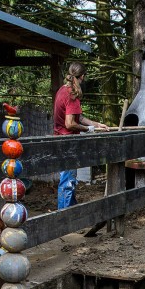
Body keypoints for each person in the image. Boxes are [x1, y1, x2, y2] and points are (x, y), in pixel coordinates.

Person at [53, 62, 109, 209]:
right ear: (82, 76)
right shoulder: (72, 95)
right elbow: (70, 123)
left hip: (60, 139)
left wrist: (96, 125)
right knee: (68, 182)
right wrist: (87, 130)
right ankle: (63, 218)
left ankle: (71, 212)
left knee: (68, 179)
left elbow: (78, 117)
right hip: (68, 142)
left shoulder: (62, 90)